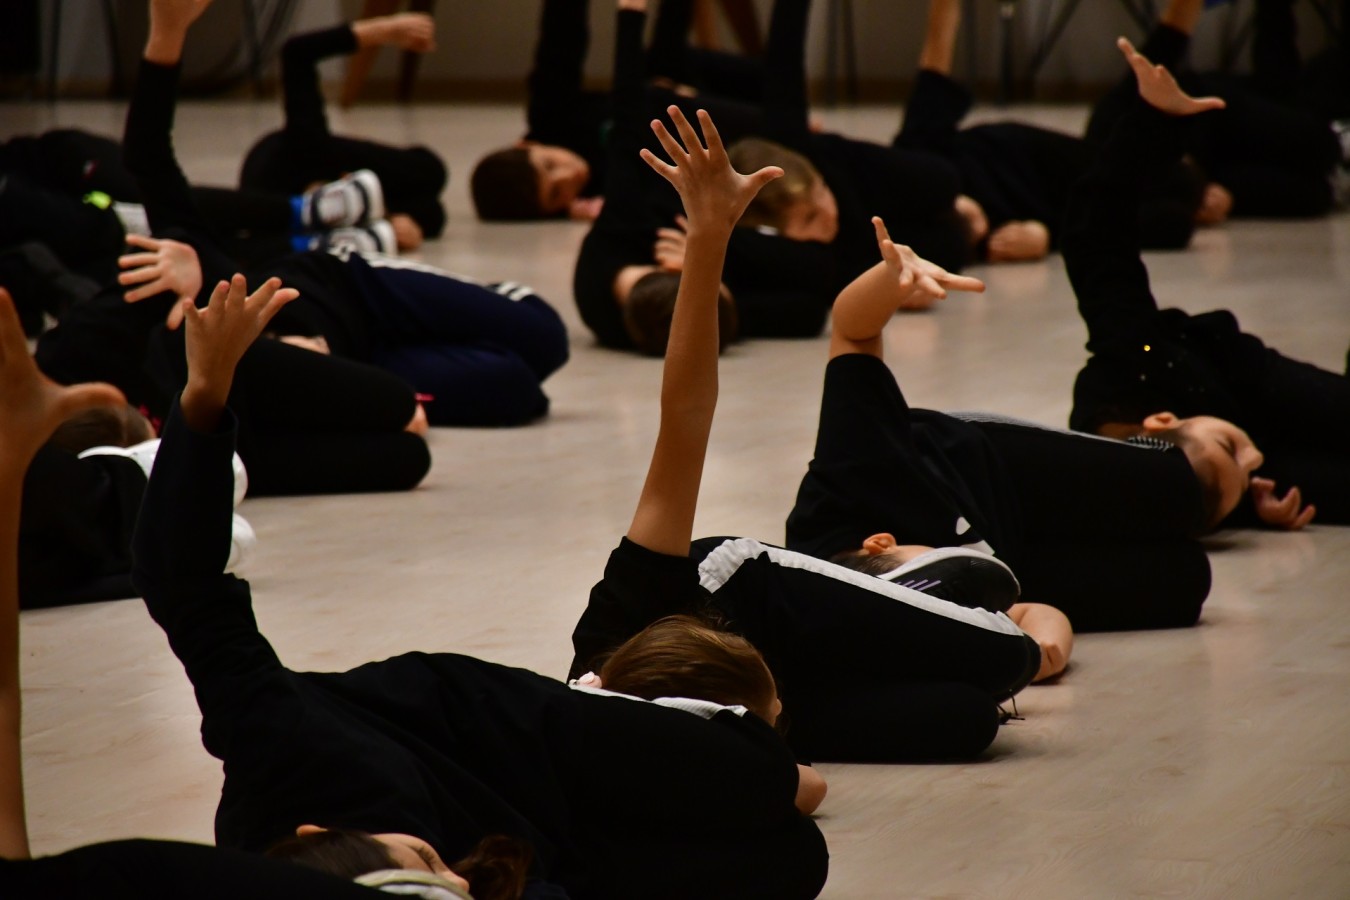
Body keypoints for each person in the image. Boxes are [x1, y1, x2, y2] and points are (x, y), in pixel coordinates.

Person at [570, 103, 1044, 764]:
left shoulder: (624, 615)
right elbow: (804, 787)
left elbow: (686, 413)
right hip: (738, 693)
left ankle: (873, 576)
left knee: (1009, 655)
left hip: (751, 602)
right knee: (965, 720)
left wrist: (708, 238)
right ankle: (880, 623)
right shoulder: (667, 758)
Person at [86, 0, 570, 430]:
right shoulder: (201, 386)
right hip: (360, 360)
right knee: (515, 389)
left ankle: (449, 289)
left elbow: (148, 156)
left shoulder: (187, 289)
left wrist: (166, 35)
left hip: (353, 286)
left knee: (545, 338)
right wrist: (304, 368)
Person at [1065, 37, 1348, 527]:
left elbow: (1096, 233)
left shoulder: (1126, 361)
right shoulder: (1204, 481)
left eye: (1231, 451)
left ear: (1162, 420)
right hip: (1253, 448)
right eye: (1241, 469)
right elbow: (1207, 494)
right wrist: (1250, 510)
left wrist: (1153, 119)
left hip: (1251, 380)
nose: (1251, 457)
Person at [572, 0, 831, 354]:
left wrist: (630, 18)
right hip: (723, 232)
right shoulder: (692, 319)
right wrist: (708, 265)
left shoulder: (620, 233)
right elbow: (810, 311)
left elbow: (626, 124)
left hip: (697, 198)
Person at [471, 0, 765, 222]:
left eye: (550, 164)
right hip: (708, 128)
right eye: (556, 194)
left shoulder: (549, 119)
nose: (570, 175)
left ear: (527, 144)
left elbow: (561, 41)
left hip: (674, 85)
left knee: (664, 60)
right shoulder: (600, 196)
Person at [1085, 0, 1348, 221]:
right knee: (1312, 195)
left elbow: (1165, 43)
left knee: (1317, 142)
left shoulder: (1111, 128)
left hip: (1210, 109)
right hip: (1208, 169)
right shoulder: (1166, 194)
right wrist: (1212, 202)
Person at [239, 14, 448, 247]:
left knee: (429, 172)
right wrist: (391, 223)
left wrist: (385, 31)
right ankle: (359, 202)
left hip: (305, 157)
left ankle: (355, 196)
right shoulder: (284, 218)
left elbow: (296, 53)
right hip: (315, 202)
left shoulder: (304, 147)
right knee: (431, 213)